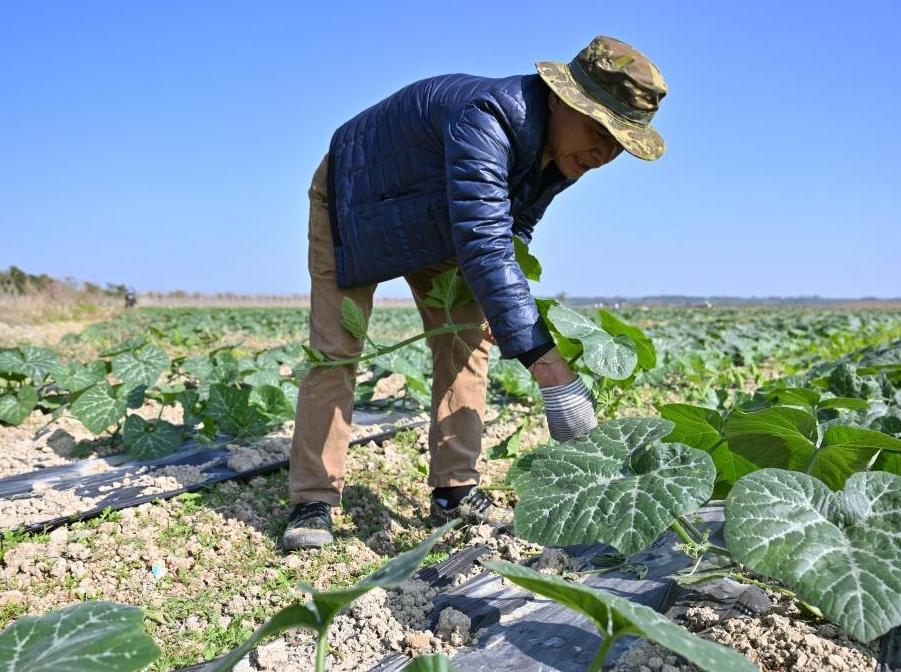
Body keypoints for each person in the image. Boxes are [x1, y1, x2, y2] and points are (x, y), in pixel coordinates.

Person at [282, 35, 667, 550]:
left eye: (619, 143)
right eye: (600, 130)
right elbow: (486, 241)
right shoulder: (487, 119)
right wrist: (551, 371)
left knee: (467, 340)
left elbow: (514, 228)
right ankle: (313, 498)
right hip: (356, 202)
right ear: (560, 99)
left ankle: (454, 491)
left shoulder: (567, 153)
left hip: (444, 219)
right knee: (337, 350)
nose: (604, 153)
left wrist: (501, 311)